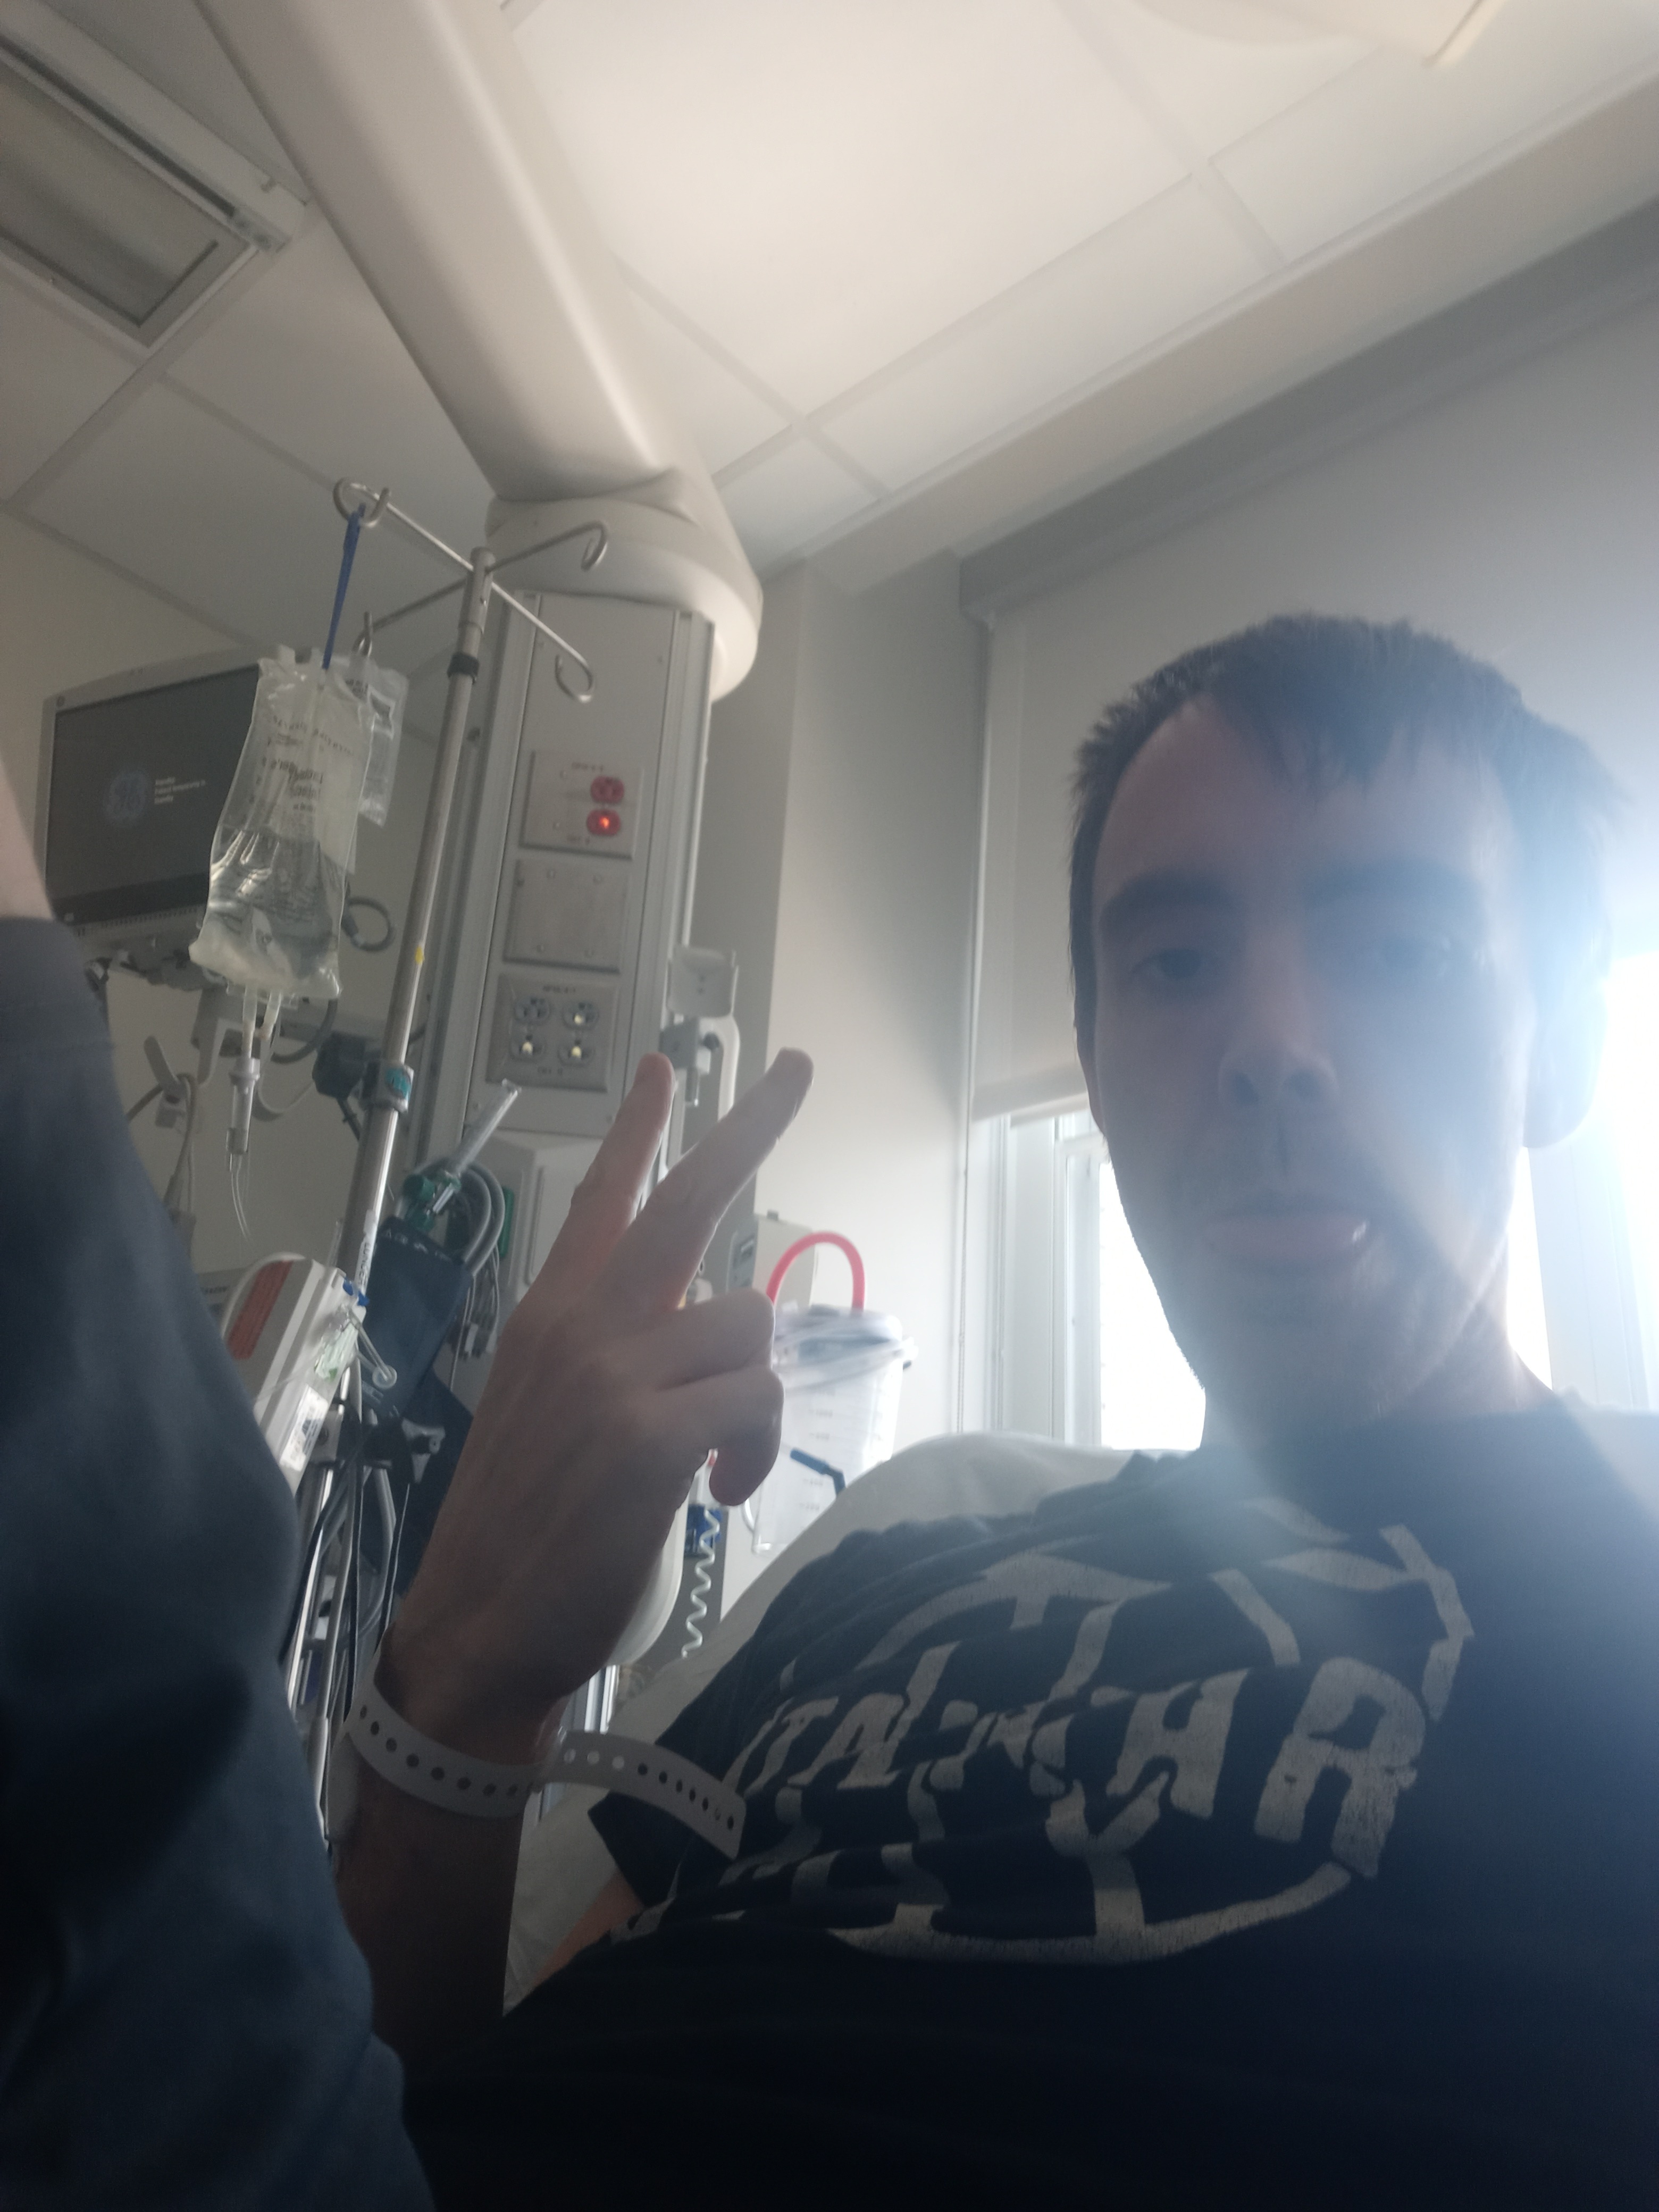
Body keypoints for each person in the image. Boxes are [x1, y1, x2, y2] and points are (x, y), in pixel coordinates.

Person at [349, 615, 1654, 2202]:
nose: (1273, 1050)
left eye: (1401, 949)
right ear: (1094, 1066)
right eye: (1177, 964)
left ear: (1561, 1047)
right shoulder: (879, 1585)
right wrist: (464, 1689)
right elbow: (406, 2120)